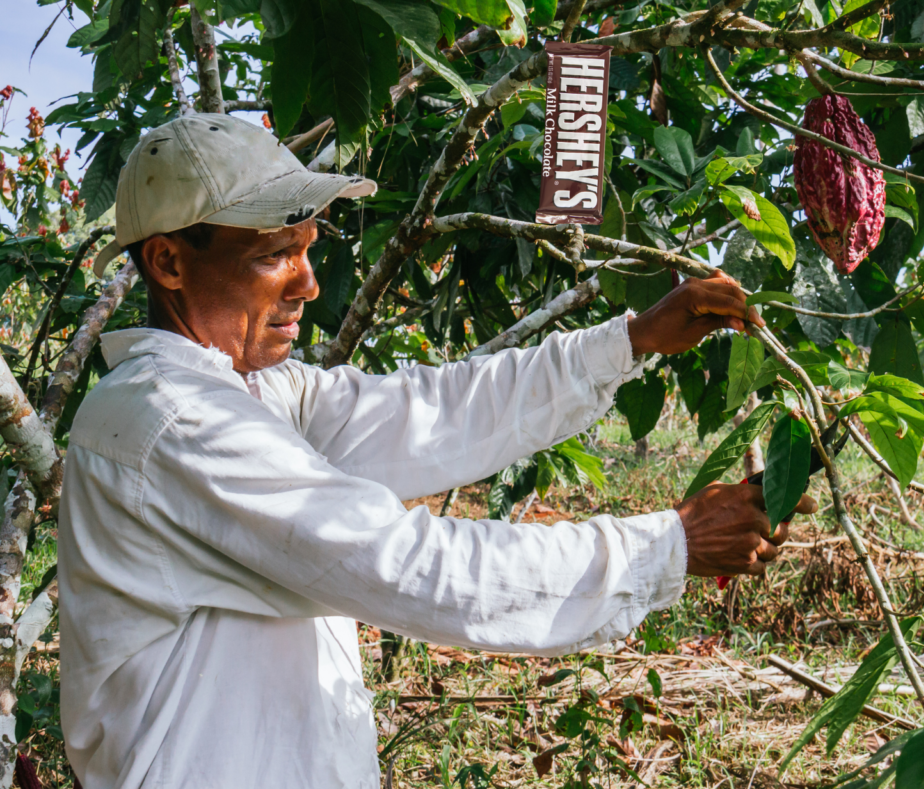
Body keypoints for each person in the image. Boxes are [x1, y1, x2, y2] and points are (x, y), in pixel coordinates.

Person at [60, 114, 815, 789]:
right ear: (169, 263)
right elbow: (411, 566)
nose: (309, 284)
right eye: (275, 255)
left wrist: (630, 340)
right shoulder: (173, 420)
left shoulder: (253, 392)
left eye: (308, 249)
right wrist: (667, 546)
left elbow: (437, 411)